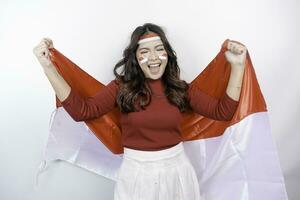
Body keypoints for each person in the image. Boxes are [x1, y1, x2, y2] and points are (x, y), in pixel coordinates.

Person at [33, 23, 246, 200]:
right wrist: (48, 67)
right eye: (145, 51)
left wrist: (237, 67)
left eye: (159, 49)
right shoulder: (120, 88)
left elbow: (223, 112)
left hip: (178, 173)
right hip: (136, 176)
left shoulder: (181, 89)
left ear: (167, 55)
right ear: (135, 58)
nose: (153, 57)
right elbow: (82, 111)